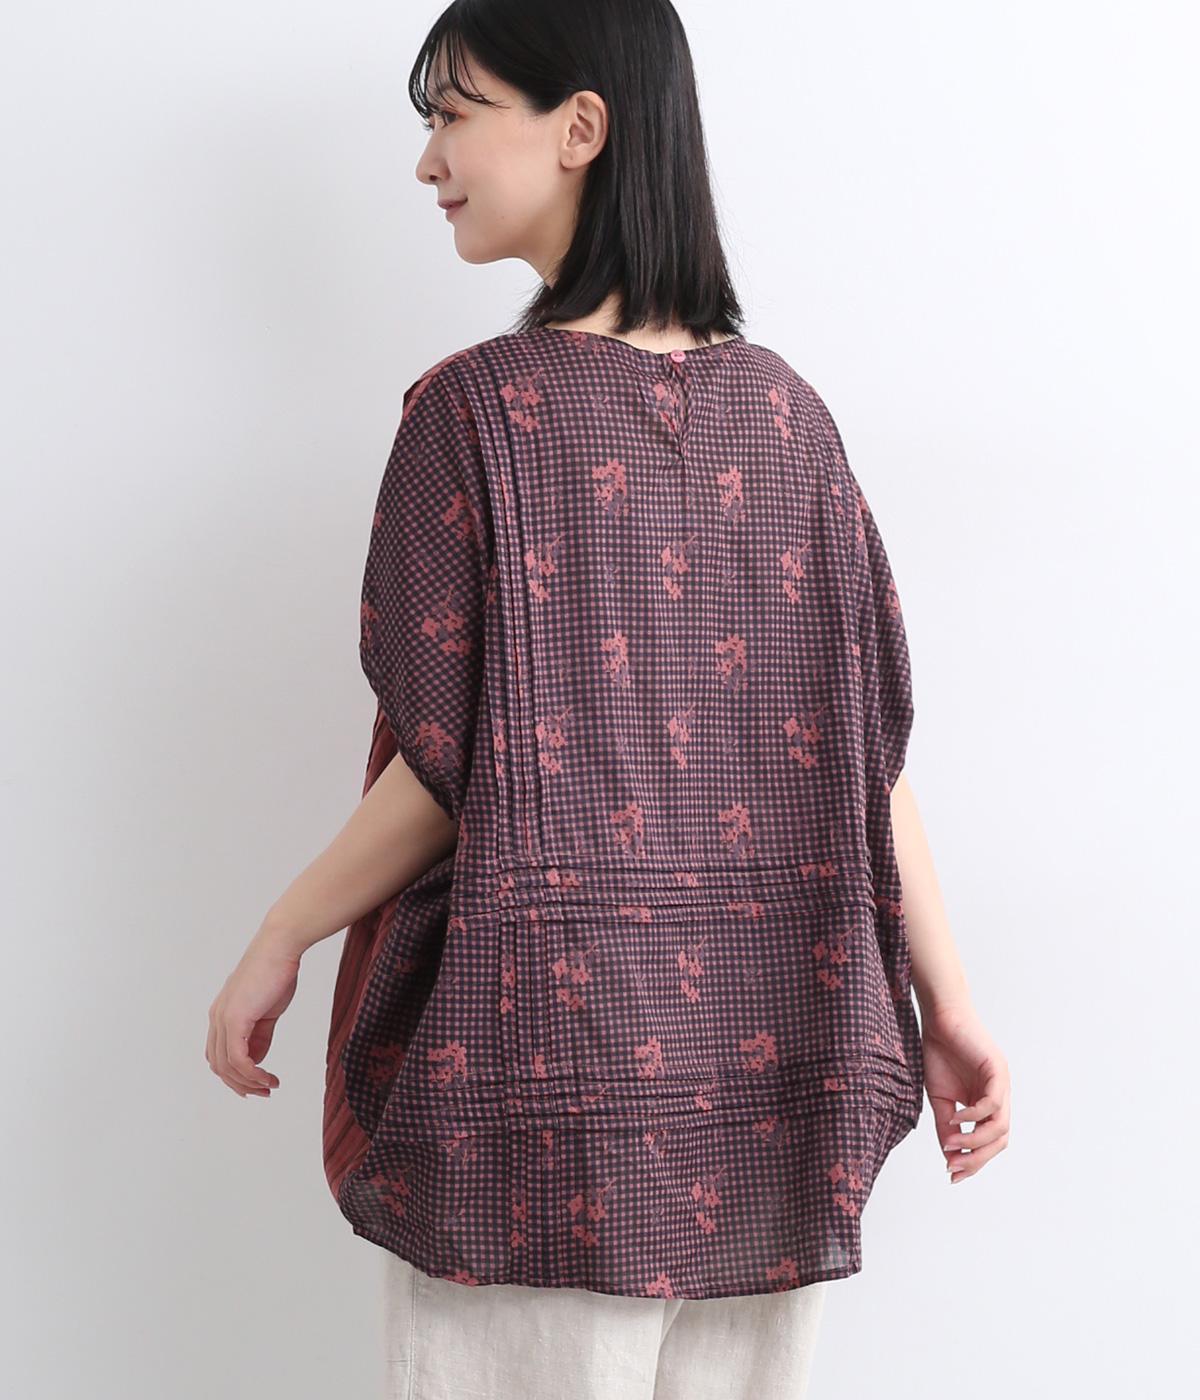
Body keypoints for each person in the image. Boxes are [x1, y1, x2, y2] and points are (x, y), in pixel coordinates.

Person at [206, 2, 1011, 1395]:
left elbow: (452, 767)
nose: (428, 161)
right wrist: (947, 1000)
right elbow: (863, 755)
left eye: (453, 115)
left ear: (579, 127)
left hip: (533, 1110)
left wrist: (284, 929)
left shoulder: (475, 414)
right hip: (773, 1100)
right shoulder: (790, 421)